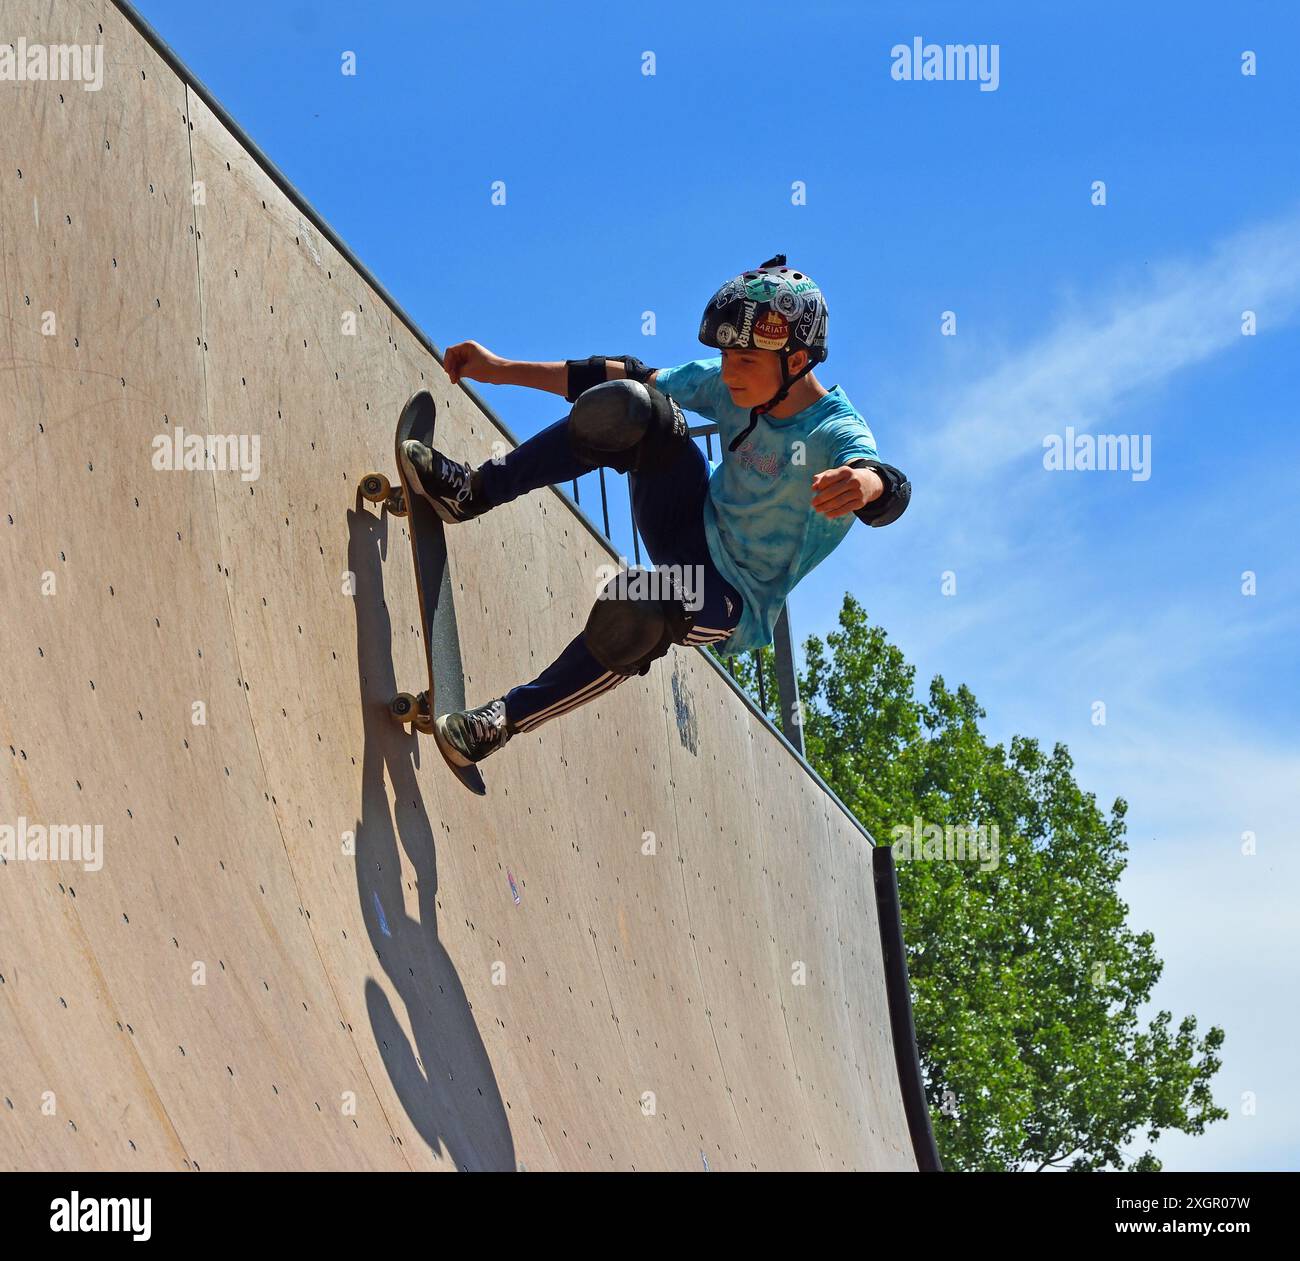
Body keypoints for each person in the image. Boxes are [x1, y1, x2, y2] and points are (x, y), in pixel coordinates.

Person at [397, 254, 912, 771]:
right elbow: (623, 375)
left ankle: (501, 721)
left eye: (746, 363)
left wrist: (864, 484)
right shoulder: (730, 379)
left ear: (797, 363)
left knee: (639, 604)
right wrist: (501, 370)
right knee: (634, 405)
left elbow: (888, 483)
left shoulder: (833, 430)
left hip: (730, 599)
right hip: (685, 520)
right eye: (726, 358)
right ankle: (473, 491)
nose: (730, 374)